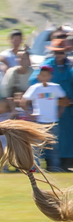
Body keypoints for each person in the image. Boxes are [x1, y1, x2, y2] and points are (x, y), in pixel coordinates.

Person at [29, 39, 73, 171]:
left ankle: (65, 163)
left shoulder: (69, 66)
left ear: (66, 52)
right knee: (48, 140)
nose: (59, 55)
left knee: (64, 137)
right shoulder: (47, 65)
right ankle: (49, 165)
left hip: (66, 108)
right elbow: (33, 81)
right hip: (49, 108)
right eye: (56, 52)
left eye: (61, 52)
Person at [23, 66, 68, 171]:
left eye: (46, 75)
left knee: (54, 147)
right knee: (37, 146)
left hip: (53, 121)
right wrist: (29, 114)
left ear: (50, 76)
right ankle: (36, 168)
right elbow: (24, 101)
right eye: (42, 75)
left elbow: (64, 99)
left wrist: (59, 112)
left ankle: (55, 167)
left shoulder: (55, 87)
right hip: (38, 121)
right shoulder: (35, 88)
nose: (44, 77)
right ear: (38, 76)